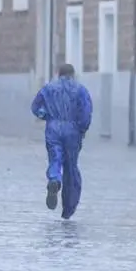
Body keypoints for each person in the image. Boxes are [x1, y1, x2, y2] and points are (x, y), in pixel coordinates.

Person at [31, 64, 93, 219]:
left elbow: (35, 107)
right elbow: (86, 112)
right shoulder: (80, 90)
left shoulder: (49, 88)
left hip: (53, 128)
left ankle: (54, 179)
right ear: (73, 74)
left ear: (58, 73)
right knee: (71, 167)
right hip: (72, 130)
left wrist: (45, 115)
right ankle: (68, 208)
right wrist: (82, 129)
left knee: (55, 157)